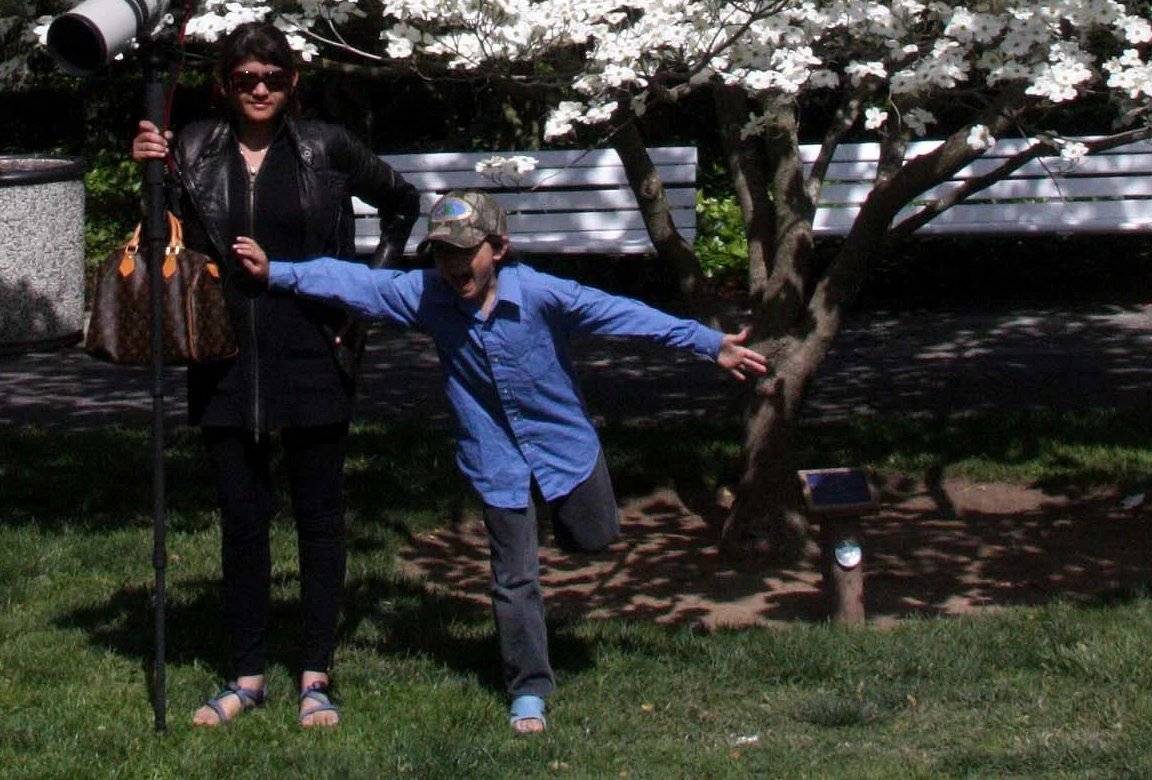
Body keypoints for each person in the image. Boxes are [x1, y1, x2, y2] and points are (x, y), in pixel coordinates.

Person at [234, 187, 769, 737]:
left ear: (500, 249)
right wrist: (277, 270)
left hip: (565, 449)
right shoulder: (426, 297)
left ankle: (568, 542)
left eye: (466, 251)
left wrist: (710, 344)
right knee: (515, 577)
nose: (454, 264)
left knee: (594, 536)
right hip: (495, 460)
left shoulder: (542, 294)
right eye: (443, 253)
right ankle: (528, 689)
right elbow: (356, 282)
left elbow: (622, 315)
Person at [131, 21, 419, 732]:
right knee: (243, 522)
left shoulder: (326, 148)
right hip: (223, 354)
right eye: (245, 79)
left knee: (319, 520)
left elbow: (402, 204)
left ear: (293, 83)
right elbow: (158, 239)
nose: (260, 89)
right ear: (225, 86)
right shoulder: (193, 148)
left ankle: (316, 674)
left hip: (312, 349)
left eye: (274, 77)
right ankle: (248, 672)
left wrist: (365, 295)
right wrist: (149, 171)